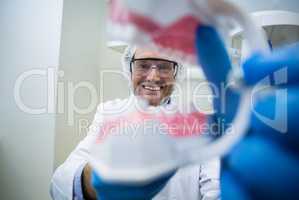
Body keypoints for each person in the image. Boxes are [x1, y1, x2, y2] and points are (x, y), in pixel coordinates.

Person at [50, 47, 221, 200]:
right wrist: (95, 176)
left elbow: (215, 188)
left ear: (176, 73)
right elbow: (60, 184)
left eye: (163, 66)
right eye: (143, 65)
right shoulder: (109, 112)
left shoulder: (198, 125)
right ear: (129, 69)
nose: (153, 77)